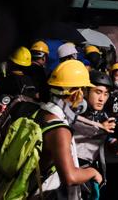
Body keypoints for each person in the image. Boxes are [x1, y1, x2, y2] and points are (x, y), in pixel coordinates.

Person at [37, 60, 104, 198]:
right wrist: (93, 172)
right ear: (75, 92)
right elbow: (70, 177)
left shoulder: (40, 113)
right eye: (84, 89)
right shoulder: (60, 130)